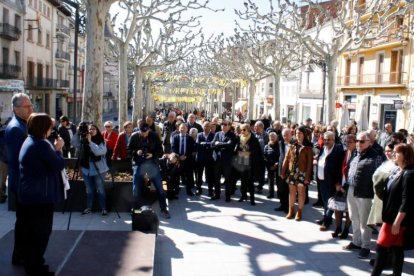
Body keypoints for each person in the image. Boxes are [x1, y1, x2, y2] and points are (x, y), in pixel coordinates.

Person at [18, 113, 65, 275]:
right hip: (39, 198)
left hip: (31, 196)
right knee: (40, 234)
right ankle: (35, 268)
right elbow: (57, 164)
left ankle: (34, 264)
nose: (51, 130)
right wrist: (58, 150)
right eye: (50, 127)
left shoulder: (31, 141)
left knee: (33, 233)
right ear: (43, 128)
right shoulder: (40, 145)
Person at [371, 144, 414, 276]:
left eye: (396, 152)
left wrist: (397, 222)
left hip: (395, 221)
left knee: (380, 249)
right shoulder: (397, 170)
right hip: (390, 217)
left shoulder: (409, 174)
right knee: (397, 249)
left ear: (405, 156)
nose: (393, 154)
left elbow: (407, 201)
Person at [343, 131, 382, 259]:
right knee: (353, 217)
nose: (358, 143)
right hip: (352, 188)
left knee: (365, 221)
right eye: (357, 141)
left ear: (369, 142)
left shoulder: (375, 156)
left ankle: (366, 246)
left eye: (362, 141)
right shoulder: (356, 153)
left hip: (365, 192)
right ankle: (356, 241)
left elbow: (378, 178)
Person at [5, 92, 33, 266]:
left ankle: (20, 255)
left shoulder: (23, 124)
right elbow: (21, 159)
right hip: (23, 184)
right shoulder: (16, 128)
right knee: (25, 223)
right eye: (27, 106)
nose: (31, 108)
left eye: (31, 105)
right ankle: (20, 256)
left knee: (25, 223)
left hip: (24, 183)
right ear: (16, 109)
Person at [129, 122, 170, 219]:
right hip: (139, 163)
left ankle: (163, 209)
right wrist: (136, 152)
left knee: (159, 187)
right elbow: (129, 150)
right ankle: (136, 209)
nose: (144, 134)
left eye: (146, 132)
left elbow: (160, 150)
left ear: (148, 130)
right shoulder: (134, 136)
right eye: (142, 132)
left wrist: (152, 154)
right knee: (135, 188)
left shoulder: (154, 135)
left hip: (151, 163)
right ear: (139, 130)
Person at [281, 126, 313, 221]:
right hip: (292, 172)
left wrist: (307, 177)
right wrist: (283, 171)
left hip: (302, 173)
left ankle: (299, 211)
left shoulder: (308, 148)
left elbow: (309, 164)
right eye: (296, 133)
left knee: (301, 193)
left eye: (299, 133)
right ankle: (291, 210)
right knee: (291, 192)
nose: (297, 135)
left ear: (304, 135)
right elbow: (286, 159)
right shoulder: (292, 145)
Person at [76, 124, 109, 216]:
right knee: (89, 189)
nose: (91, 130)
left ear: (97, 130)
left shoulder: (101, 140)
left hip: (99, 169)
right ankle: (89, 208)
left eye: (93, 129)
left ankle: (103, 208)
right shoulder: (83, 140)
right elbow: (74, 143)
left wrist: (90, 142)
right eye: (89, 129)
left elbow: (99, 152)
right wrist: (78, 131)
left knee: (100, 189)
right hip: (86, 168)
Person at [316, 131, 345, 231]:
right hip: (321, 179)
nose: (326, 141)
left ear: (334, 140)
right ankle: (325, 217)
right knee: (324, 200)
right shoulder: (322, 149)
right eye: (325, 139)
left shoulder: (338, 151)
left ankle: (327, 222)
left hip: (332, 181)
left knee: (330, 201)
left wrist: (338, 182)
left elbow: (340, 168)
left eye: (329, 139)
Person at [233, 123, 264, 206]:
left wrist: (243, 153)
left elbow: (254, 152)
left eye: (244, 130)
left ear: (248, 130)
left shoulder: (253, 139)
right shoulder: (240, 138)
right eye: (241, 130)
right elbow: (237, 150)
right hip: (242, 162)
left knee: (250, 182)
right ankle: (243, 196)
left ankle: (252, 199)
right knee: (243, 181)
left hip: (251, 164)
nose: (242, 131)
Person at [211, 119, 237, 201]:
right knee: (216, 178)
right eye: (222, 124)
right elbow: (212, 144)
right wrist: (223, 145)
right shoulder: (217, 134)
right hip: (217, 160)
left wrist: (218, 144)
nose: (223, 126)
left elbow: (230, 145)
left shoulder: (232, 135)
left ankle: (228, 196)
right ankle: (217, 194)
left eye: (225, 124)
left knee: (228, 179)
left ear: (229, 126)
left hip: (227, 161)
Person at [172, 123, 195, 196]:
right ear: (179, 129)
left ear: (187, 129)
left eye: (184, 128)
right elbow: (173, 148)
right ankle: (176, 189)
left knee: (188, 176)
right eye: (181, 128)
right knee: (176, 175)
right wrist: (179, 156)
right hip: (178, 160)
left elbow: (192, 149)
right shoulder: (175, 137)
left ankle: (189, 190)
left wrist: (186, 156)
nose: (182, 129)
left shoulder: (190, 138)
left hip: (187, 160)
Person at [275, 128, 293, 213]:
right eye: (283, 135)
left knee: (289, 189)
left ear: (291, 135)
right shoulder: (280, 143)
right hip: (281, 168)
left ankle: (289, 208)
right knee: (281, 189)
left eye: (287, 135)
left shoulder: (295, 144)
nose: (285, 137)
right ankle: (282, 204)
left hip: (291, 169)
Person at [195, 121, 215, 196]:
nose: (206, 127)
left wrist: (204, 144)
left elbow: (213, 145)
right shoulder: (199, 135)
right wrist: (208, 145)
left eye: (208, 126)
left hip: (209, 159)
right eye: (205, 126)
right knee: (199, 175)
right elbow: (197, 145)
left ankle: (210, 190)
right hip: (200, 158)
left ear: (210, 127)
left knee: (210, 175)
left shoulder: (213, 135)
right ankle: (198, 189)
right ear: (202, 127)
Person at [263, 132, 280, 199]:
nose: (272, 138)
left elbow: (281, 155)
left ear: (276, 137)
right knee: (270, 180)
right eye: (271, 136)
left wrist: (277, 164)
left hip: (278, 165)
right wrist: (269, 165)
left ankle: (279, 193)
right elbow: (265, 156)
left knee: (279, 180)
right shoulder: (266, 146)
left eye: (273, 136)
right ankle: (271, 193)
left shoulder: (279, 145)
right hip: (269, 165)